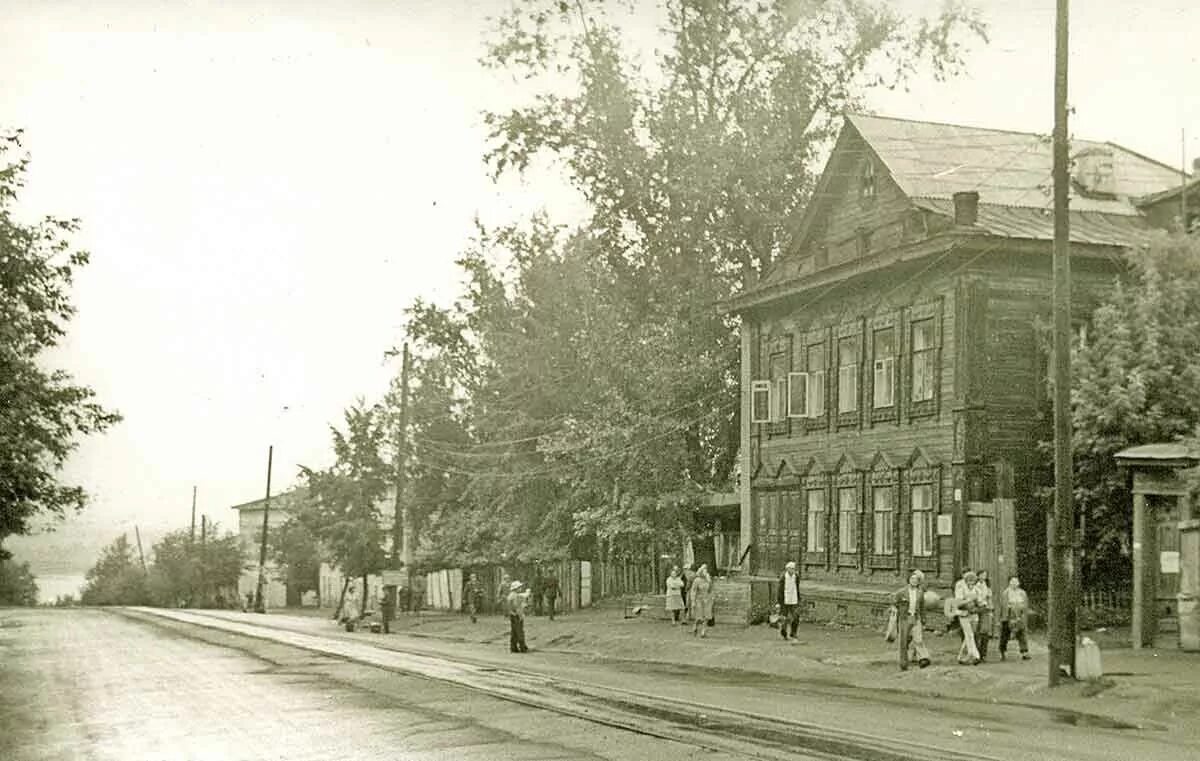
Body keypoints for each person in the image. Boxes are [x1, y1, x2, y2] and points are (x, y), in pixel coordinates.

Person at [894, 569, 932, 670]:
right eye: (912, 579)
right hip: (904, 618)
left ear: (919, 581)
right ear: (908, 580)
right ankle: (903, 663)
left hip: (916, 617)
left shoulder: (920, 593)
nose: (914, 581)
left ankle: (923, 658)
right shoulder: (901, 592)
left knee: (918, 639)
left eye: (916, 579)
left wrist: (923, 620)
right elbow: (894, 602)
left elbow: (922, 607)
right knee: (903, 641)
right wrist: (895, 608)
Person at [999, 575, 1031, 661]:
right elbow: (1003, 606)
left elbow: (1025, 605)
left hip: (1020, 615)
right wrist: (1005, 617)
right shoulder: (1006, 593)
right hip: (1009, 615)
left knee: (1022, 633)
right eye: (1012, 581)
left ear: (1018, 583)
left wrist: (1023, 615)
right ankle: (1003, 651)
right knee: (1005, 634)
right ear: (1009, 583)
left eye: (1016, 581)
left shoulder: (1022, 593)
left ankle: (1024, 652)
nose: (1014, 583)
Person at [953, 570, 982, 665]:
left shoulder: (977, 589)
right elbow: (958, 602)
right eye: (969, 581)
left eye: (973, 581)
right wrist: (969, 599)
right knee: (969, 634)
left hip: (974, 614)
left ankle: (961, 657)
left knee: (969, 636)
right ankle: (975, 655)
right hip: (964, 614)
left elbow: (980, 602)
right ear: (965, 581)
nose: (971, 583)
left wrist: (979, 602)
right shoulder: (961, 588)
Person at [776, 561, 801, 642]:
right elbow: (779, 591)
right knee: (784, 618)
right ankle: (784, 633)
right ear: (787, 569)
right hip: (785, 600)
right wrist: (778, 602)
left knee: (796, 616)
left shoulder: (796, 576)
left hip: (794, 599)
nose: (793, 570)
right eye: (791, 569)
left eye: (794, 569)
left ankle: (793, 633)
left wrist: (798, 599)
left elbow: (797, 588)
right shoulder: (783, 577)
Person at [688, 564, 715, 638]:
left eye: (706, 571)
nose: (705, 572)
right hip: (699, 600)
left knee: (706, 616)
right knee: (699, 617)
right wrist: (693, 601)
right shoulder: (697, 580)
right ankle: (695, 626)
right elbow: (693, 591)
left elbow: (710, 590)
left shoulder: (708, 580)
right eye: (704, 571)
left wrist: (709, 582)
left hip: (707, 600)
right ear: (700, 572)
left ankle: (703, 632)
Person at [506, 580, 530, 653]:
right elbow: (517, 607)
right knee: (520, 632)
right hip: (517, 615)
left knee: (514, 632)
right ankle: (522, 647)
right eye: (519, 587)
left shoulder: (510, 595)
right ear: (516, 588)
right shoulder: (516, 596)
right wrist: (521, 615)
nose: (520, 588)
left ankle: (513, 647)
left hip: (512, 615)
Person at [975, 570, 994, 662]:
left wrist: (990, 609)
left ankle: (984, 654)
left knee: (985, 632)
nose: (984, 576)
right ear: (978, 576)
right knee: (978, 632)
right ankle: (977, 653)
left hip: (986, 609)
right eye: (982, 575)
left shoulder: (987, 586)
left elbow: (990, 598)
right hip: (978, 609)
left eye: (985, 575)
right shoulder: (975, 586)